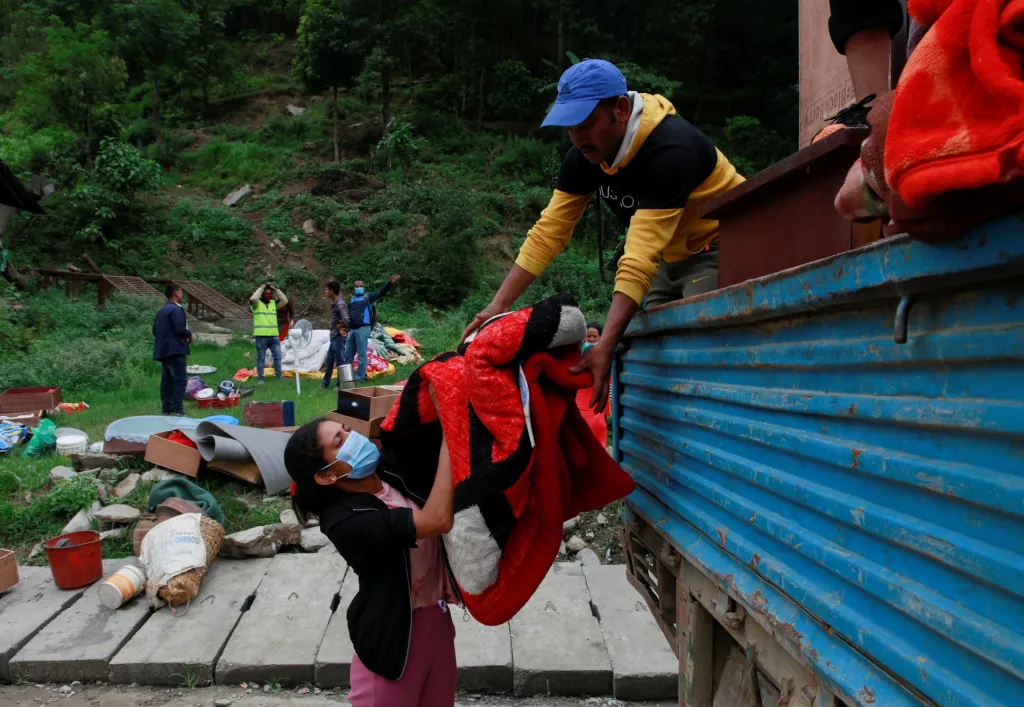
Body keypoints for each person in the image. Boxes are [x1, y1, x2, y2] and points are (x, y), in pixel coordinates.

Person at [464, 59, 744, 414]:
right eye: (570, 129)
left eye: (587, 125)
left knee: (703, 355)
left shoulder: (671, 149)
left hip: (720, 246)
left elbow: (639, 254)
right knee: (653, 358)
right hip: (666, 260)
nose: (578, 139)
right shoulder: (584, 158)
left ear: (621, 109)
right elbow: (548, 233)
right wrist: (497, 306)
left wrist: (606, 343)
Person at [284, 409, 458, 706]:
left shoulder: (390, 473)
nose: (353, 438)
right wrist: (452, 441)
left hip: (438, 623)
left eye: (347, 430)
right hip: (393, 642)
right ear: (326, 475)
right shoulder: (345, 522)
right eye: (339, 442)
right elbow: (437, 520)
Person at [345, 274, 400, 382]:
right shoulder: (351, 300)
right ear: (354, 288)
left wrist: (389, 283)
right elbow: (348, 314)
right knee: (348, 355)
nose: (359, 288)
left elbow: (381, 293)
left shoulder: (368, 297)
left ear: (363, 287)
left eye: (361, 286)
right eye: (357, 286)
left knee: (361, 355)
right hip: (352, 330)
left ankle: (359, 378)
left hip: (363, 329)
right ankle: (347, 377)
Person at [153, 283, 192, 416]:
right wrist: (189, 334)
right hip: (175, 349)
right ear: (175, 293)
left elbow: (154, 330)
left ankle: (166, 408)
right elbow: (179, 328)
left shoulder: (161, 310)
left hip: (163, 351)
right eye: (181, 292)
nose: (182, 295)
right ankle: (178, 409)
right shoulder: (176, 310)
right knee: (179, 380)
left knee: (167, 380)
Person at [577, 322, 610, 446]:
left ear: (600, 337)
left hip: (585, 416)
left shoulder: (578, 364)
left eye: (594, 337)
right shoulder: (605, 362)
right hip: (598, 418)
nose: (591, 340)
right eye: (588, 337)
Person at [251, 283, 288, 383]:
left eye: (270, 293)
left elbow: (285, 300)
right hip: (261, 336)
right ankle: (261, 378)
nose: (268, 295)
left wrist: (276, 289)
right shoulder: (256, 304)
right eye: (266, 293)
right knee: (261, 358)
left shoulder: (273, 303)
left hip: (273, 335)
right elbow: (253, 298)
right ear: (263, 294)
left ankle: (279, 376)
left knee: (277, 356)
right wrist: (261, 288)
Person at [321, 280, 350, 391]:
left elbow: (347, 319)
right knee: (329, 361)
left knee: (339, 362)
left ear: (332, 291)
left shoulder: (340, 304)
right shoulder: (334, 303)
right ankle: (325, 383)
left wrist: (340, 326)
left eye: (327, 289)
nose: (325, 291)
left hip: (338, 337)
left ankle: (339, 385)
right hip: (333, 336)